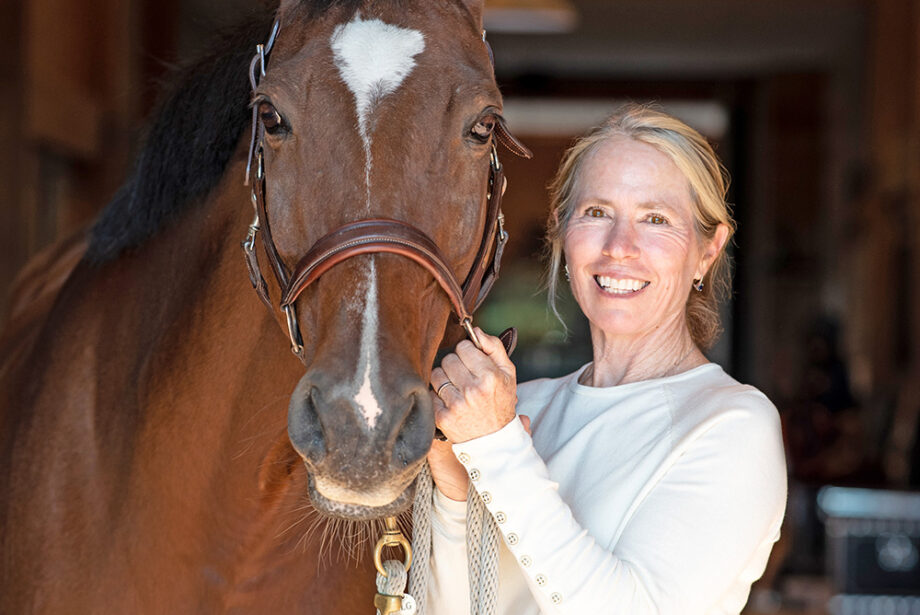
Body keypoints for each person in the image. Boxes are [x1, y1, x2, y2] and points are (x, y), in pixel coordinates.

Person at [425, 104, 787, 614]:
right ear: (562, 233)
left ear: (707, 251)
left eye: (655, 219)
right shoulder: (520, 408)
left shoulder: (731, 425)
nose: (619, 247)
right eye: (597, 213)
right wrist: (457, 495)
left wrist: (497, 450)